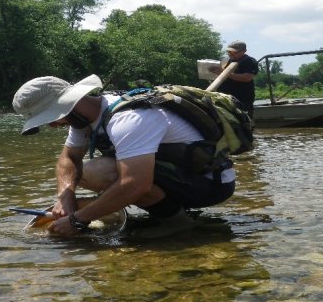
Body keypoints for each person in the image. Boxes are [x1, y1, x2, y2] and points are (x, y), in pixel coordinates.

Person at [12, 75, 236, 236]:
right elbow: (68, 159)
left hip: (210, 184)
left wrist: (78, 220)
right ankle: (166, 209)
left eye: (53, 117)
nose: (52, 125)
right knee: (89, 172)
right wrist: (65, 196)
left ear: (71, 103)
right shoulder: (82, 118)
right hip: (177, 175)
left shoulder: (128, 119)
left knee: (104, 173)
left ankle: (178, 222)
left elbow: (135, 184)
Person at [210, 40, 258, 118]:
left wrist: (224, 73)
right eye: (229, 52)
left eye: (235, 52)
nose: (231, 54)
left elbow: (246, 78)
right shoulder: (225, 60)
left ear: (244, 51)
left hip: (242, 99)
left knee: (243, 124)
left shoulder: (250, 61)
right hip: (223, 98)